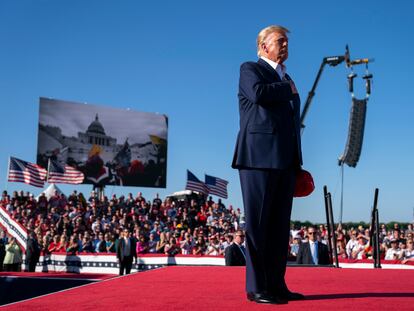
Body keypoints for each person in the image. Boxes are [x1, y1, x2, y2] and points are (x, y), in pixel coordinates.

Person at [231, 25, 303, 304]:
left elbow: (293, 125)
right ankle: (256, 288)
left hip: (285, 160)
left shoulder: (287, 78)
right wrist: (287, 88)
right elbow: (259, 94)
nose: (285, 46)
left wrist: (297, 161)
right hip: (257, 157)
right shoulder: (250, 69)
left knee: (278, 228)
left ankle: (276, 285)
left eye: (286, 42)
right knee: (258, 226)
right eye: (280, 41)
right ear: (263, 46)